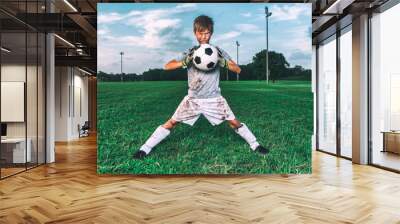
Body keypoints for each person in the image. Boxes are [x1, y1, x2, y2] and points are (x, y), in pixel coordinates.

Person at [133, 15, 269, 159]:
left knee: (234, 122)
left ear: (211, 33)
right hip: (193, 99)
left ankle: (255, 145)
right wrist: (184, 62)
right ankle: (145, 148)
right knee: (172, 122)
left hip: (214, 99)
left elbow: (238, 69)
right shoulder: (190, 52)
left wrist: (223, 62)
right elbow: (167, 66)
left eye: (207, 33)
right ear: (195, 33)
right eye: (200, 33)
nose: (204, 36)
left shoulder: (218, 52)